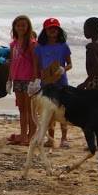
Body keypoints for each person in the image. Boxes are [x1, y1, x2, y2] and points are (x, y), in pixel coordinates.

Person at [34, 17, 72, 148]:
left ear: (59, 30)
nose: (53, 30)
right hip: (47, 84)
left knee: (63, 110)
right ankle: (50, 139)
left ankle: (64, 138)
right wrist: (37, 79)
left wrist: (63, 69)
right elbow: (37, 66)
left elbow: (70, 64)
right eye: (50, 28)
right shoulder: (40, 47)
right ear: (45, 30)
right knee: (48, 111)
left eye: (55, 28)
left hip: (61, 82)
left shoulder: (63, 46)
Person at [6, 16, 38, 146]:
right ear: (14, 27)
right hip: (17, 78)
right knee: (21, 109)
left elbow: (36, 63)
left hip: (28, 79)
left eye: (23, 25)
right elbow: (12, 62)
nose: (20, 28)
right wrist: (9, 79)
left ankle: (31, 136)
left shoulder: (32, 43)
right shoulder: (13, 43)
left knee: (31, 110)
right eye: (18, 25)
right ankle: (23, 134)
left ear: (28, 27)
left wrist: (34, 79)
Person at [78, 17, 98, 90]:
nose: (84, 31)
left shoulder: (91, 47)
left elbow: (97, 68)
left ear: (92, 30)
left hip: (96, 82)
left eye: (85, 29)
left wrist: (85, 83)